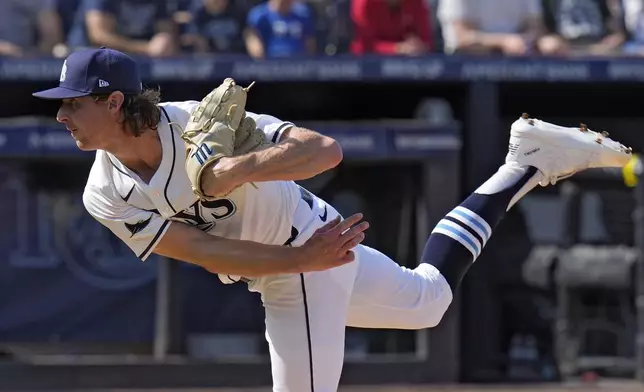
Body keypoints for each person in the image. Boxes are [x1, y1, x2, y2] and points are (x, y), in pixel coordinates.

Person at [32, 47, 632, 392]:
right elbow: (206, 254)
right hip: (298, 254)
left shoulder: (195, 123)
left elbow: (325, 152)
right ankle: (522, 166)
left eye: (72, 104)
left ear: (114, 102)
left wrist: (236, 168)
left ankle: (526, 162)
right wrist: (299, 259)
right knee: (427, 301)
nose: (61, 117)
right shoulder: (103, 193)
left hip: (304, 252)